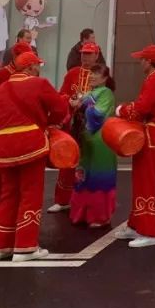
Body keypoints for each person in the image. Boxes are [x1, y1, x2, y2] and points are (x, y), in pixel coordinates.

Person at [0, 51, 69, 262]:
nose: (39, 69)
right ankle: (25, 247)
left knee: (8, 195)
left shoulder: (2, 88)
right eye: (37, 65)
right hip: (30, 143)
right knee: (30, 194)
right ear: (31, 67)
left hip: (4, 146)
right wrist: (52, 123)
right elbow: (60, 108)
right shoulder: (39, 84)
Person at [115, 45, 155, 248]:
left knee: (146, 183)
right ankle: (136, 224)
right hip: (150, 134)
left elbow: (142, 107)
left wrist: (122, 110)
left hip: (152, 135)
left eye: (142, 59)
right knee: (140, 181)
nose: (140, 62)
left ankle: (150, 231)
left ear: (149, 61)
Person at [0, 41, 31, 221]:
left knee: (14, 170)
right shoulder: (2, 74)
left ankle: (11, 205)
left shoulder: (26, 75)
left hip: (18, 129)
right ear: (15, 57)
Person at [49, 41, 101, 213]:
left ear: (96, 55)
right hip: (72, 123)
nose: (85, 57)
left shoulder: (101, 75)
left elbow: (105, 99)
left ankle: (86, 200)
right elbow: (61, 94)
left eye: (89, 54)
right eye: (83, 53)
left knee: (89, 162)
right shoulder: (73, 73)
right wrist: (69, 100)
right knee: (68, 159)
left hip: (91, 124)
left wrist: (87, 103)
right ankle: (63, 199)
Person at [70, 63, 117, 228]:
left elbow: (98, 114)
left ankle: (99, 216)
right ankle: (82, 213)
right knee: (84, 176)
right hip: (86, 140)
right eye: (91, 74)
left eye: (96, 74)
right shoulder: (91, 93)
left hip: (101, 140)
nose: (92, 76)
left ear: (105, 78)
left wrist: (82, 105)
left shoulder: (106, 93)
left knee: (98, 177)